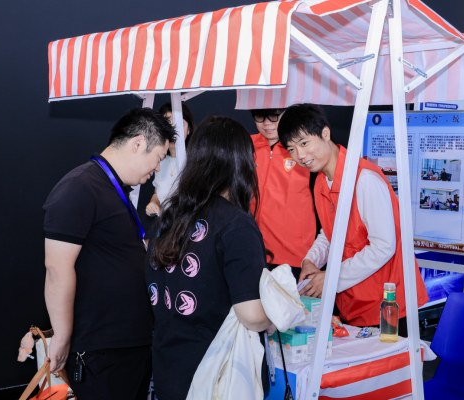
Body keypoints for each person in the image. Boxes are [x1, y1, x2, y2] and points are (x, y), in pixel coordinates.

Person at [42, 107, 175, 399]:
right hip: (101, 350)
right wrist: (62, 336)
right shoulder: (80, 187)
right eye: (158, 158)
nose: (157, 169)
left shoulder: (115, 190)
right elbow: (56, 268)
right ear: (138, 143)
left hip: (129, 346)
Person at [146, 116, 273, 400]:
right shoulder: (236, 225)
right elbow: (252, 315)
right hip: (216, 379)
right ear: (241, 163)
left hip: (169, 374)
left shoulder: (167, 219)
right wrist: (277, 316)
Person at [277, 104, 428, 331]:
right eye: (291, 149)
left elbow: (383, 247)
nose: (300, 155)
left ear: (325, 133)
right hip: (352, 304)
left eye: (304, 143)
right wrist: (311, 260)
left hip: (387, 307)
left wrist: (331, 278)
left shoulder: (364, 179)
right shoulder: (320, 181)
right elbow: (331, 232)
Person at [249, 108, 316, 280]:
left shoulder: (303, 149)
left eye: (274, 116)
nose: (267, 123)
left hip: (294, 255)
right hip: (253, 250)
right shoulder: (245, 145)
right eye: (260, 116)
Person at [145, 102, 196, 217]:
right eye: (168, 125)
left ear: (189, 130)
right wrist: (153, 204)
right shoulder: (159, 161)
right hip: (166, 224)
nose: (173, 132)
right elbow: (158, 193)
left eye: (179, 124)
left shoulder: (196, 162)